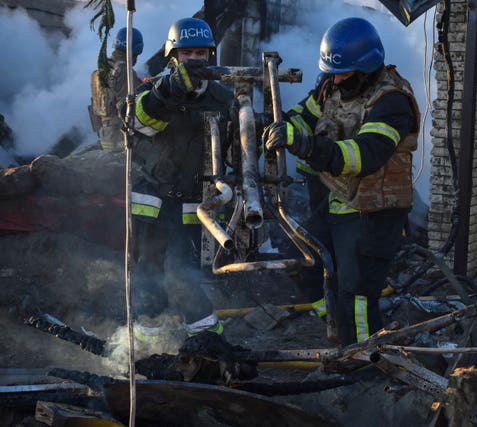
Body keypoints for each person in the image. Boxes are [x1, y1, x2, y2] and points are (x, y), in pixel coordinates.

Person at [263, 17, 420, 346]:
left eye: (344, 74)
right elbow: (301, 118)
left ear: (366, 68)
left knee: (357, 296)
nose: (335, 79)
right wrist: (278, 127)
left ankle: (364, 361)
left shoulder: (391, 102)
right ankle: (334, 323)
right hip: (338, 203)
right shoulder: (332, 86)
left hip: (373, 211)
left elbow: (362, 157)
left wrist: (304, 145)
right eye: (332, 72)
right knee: (302, 263)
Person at [127, 18, 236, 346]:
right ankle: (149, 346)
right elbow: (135, 124)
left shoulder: (221, 97)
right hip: (150, 201)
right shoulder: (154, 90)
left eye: (200, 52)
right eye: (185, 52)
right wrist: (168, 91)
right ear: (173, 56)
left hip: (193, 204)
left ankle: (209, 344)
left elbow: (237, 149)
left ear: (210, 55)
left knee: (181, 274)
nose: (193, 59)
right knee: (147, 273)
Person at [89, 27, 144, 151]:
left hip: (105, 136)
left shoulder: (99, 71)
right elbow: (130, 109)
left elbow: (94, 111)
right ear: (136, 51)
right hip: (121, 138)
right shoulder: (124, 72)